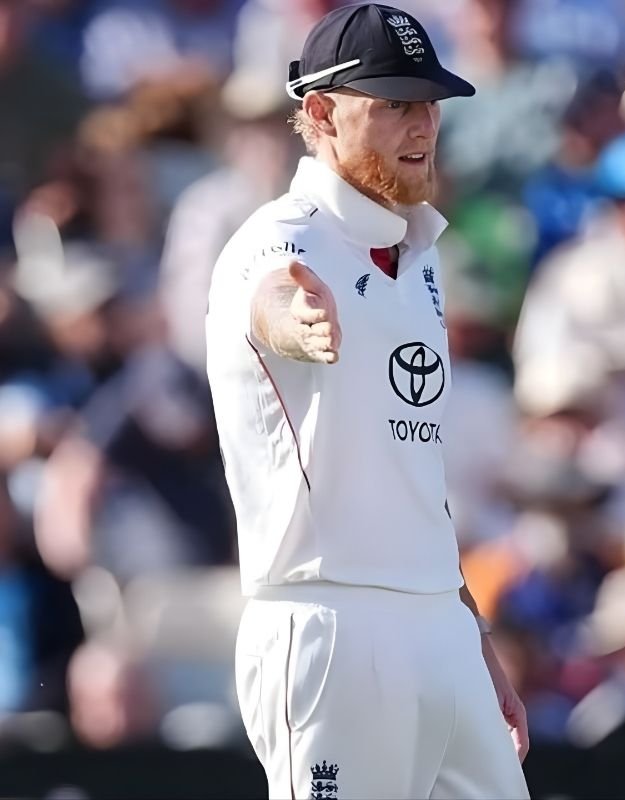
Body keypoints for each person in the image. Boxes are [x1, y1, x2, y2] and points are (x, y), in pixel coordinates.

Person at [203, 5, 530, 798]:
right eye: (391, 106)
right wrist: (297, 322)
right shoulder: (279, 236)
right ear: (319, 114)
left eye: (427, 103)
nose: (421, 125)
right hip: (327, 624)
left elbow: (411, 472)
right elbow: (272, 299)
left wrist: (469, 635)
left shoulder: (418, 252)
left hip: (438, 628)